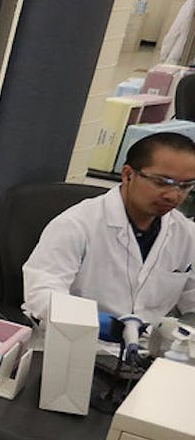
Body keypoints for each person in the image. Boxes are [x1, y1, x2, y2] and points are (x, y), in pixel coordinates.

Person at [24, 133, 195, 327]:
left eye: (186, 185)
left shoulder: (187, 234)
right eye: (161, 182)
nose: (173, 195)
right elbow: (41, 294)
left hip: (146, 347)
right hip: (78, 341)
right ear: (128, 174)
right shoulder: (76, 224)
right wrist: (99, 323)